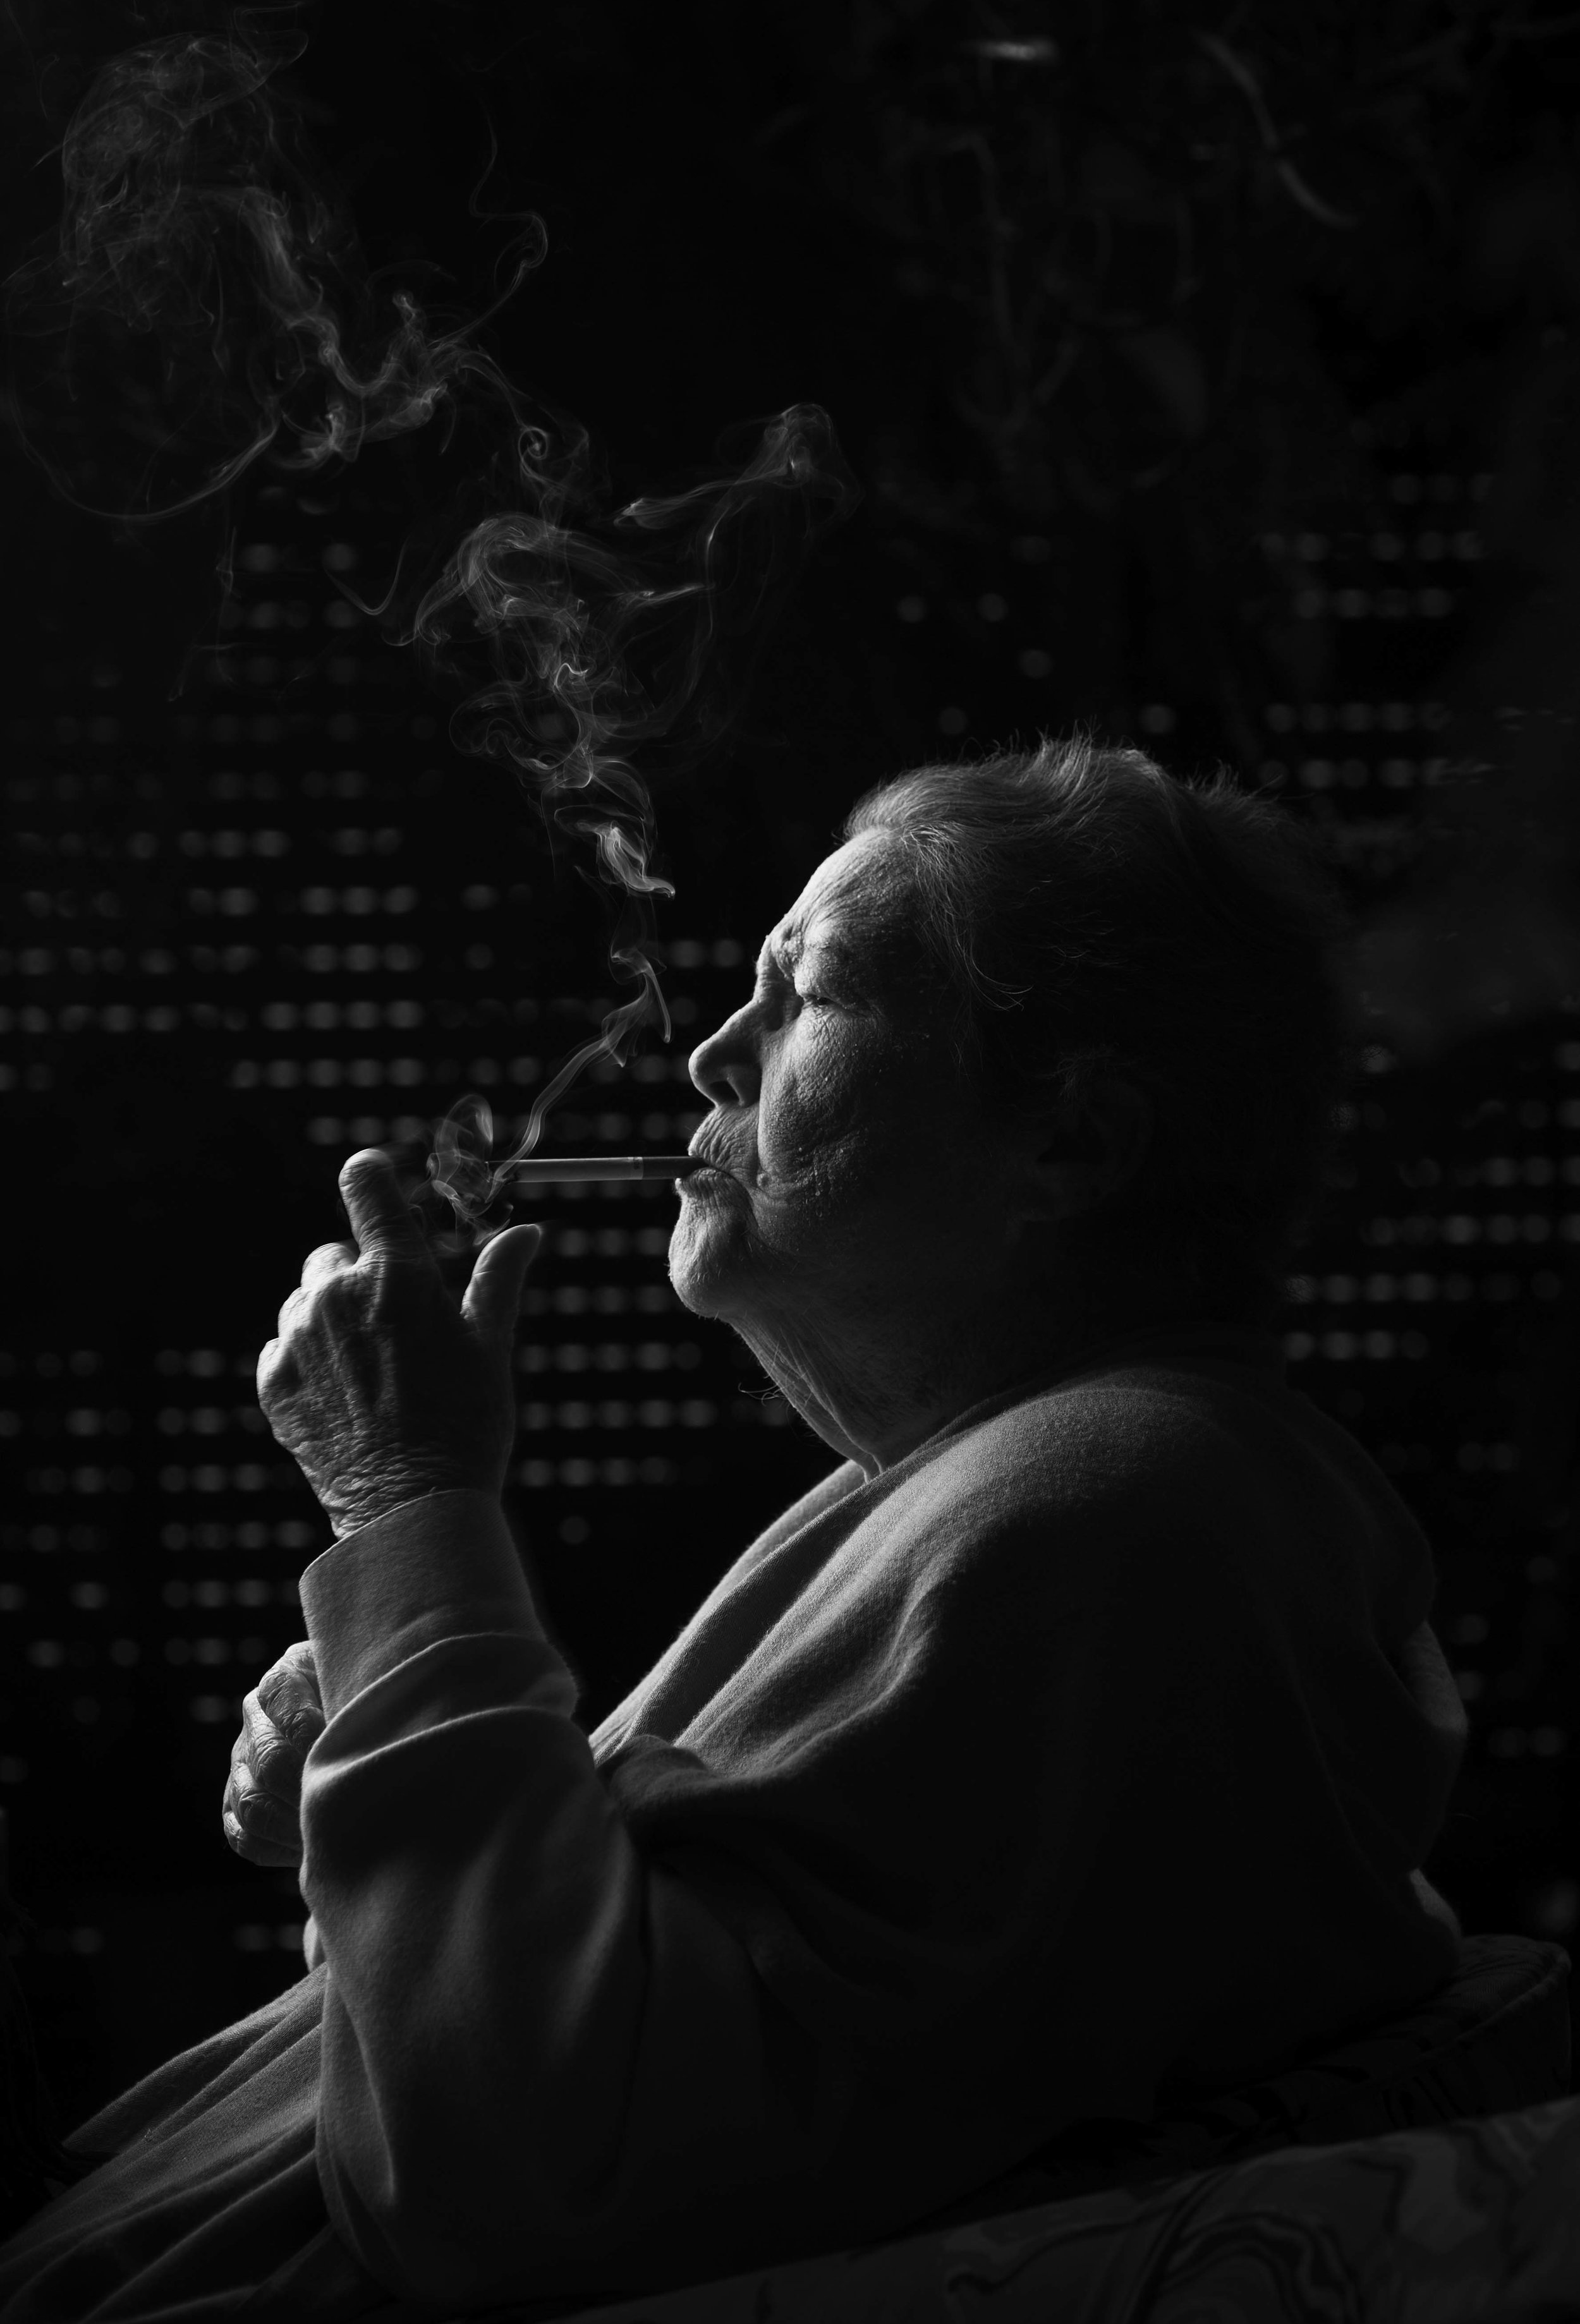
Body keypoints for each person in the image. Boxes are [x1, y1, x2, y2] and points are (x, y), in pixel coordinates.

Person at [0, 734, 1469, 2322]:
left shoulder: (1124, 1508)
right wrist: (376, 1803)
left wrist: (405, 1508)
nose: (710, 1054)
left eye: (810, 994)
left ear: (1069, 1142)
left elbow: (509, 2174)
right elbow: (682, 2028)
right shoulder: (1000, 1482)